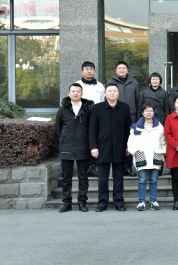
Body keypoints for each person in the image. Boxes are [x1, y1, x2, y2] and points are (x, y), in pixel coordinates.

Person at [89, 84, 132, 212]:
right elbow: (92, 129)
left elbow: (128, 129)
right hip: (102, 147)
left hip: (120, 147)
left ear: (118, 93)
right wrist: (93, 146)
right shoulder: (97, 108)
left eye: (114, 91)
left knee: (119, 177)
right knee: (103, 178)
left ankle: (119, 202)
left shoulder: (125, 107)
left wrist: (128, 146)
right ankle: (102, 203)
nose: (112, 93)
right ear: (105, 93)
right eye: (109, 91)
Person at [55, 83, 94, 213]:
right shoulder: (63, 110)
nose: (76, 93)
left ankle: (82, 202)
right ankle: (67, 203)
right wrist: (64, 139)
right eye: (73, 91)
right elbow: (58, 128)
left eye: (78, 91)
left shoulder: (88, 110)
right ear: (69, 93)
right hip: (66, 147)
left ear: (82, 93)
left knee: (83, 177)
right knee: (66, 178)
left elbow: (92, 128)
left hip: (83, 146)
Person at [127, 104, 167, 211]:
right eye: (146, 111)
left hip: (155, 155)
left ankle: (153, 201)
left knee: (154, 180)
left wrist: (162, 152)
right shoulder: (136, 127)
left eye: (151, 110)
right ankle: (141, 202)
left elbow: (163, 141)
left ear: (154, 112)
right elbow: (131, 142)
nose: (149, 112)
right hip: (142, 155)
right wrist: (136, 151)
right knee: (142, 180)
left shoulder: (159, 126)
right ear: (142, 113)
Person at [106, 61, 140, 177]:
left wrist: (138, 117)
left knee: (129, 142)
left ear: (127, 70)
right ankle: (118, 168)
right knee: (117, 142)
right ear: (116, 70)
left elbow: (137, 101)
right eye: (119, 68)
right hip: (115, 116)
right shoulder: (110, 83)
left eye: (124, 68)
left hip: (132, 116)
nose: (121, 70)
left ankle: (128, 168)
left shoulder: (134, 82)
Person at [75, 61, 105, 177]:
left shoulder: (100, 86)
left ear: (94, 71)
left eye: (91, 69)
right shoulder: (77, 85)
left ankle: (93, 166)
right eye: (86, 69)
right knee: (83, 141)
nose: (89, 71)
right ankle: (84, 168)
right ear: (82, 71)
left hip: (97, 117)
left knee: (95, 140)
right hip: (82, 117)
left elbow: (103, 101)